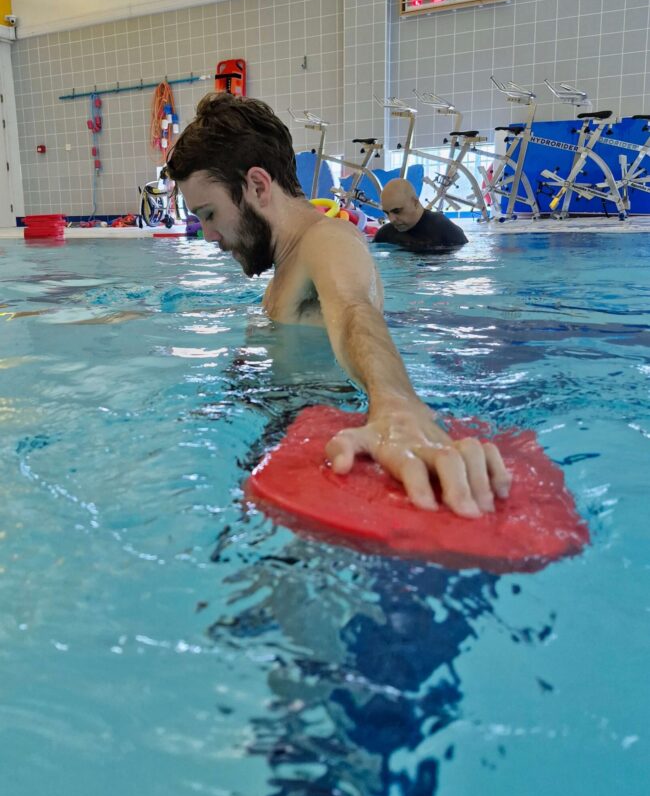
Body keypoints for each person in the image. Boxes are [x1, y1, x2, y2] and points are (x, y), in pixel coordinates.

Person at [166, 92, 511, 518]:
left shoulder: (327, 241)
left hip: (320, 447)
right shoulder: (287, 264)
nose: (208, 237)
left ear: (257, 186)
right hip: (281, 431)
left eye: (209, 214)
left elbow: (353, 309)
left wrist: (396, 405)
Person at [374, 178, 468, 250]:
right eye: (387, 213)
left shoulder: (443, 229)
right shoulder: (384, 234)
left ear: (415, 202)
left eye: (397, 211)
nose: (392, 219)